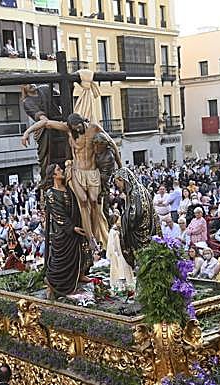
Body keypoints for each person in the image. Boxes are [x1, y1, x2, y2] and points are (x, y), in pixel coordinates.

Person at [23, 113, 122, 246]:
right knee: (83, 201)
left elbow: (112, 144)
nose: (77, 130)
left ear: (82, 122)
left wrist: (121, 168)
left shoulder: (94, 128)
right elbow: (46, 123)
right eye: (74, 128)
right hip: (77, 172)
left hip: (92, 173)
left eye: (79, 127)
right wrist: (27, 133)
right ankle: (90, 238)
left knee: (94, 201)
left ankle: (97, 234)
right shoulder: (69, 129)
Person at [42, 164, 88, 297]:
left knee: (76, 256)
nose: (61, 171)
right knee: (60, 261)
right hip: (62, 232)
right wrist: (72, 228)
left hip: (75, 228)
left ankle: (77, 276)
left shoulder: (68, 189)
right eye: (58, 170)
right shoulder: (51, 193)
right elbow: (58, 214)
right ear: (53, 175)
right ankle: (52, 283)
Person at [113, 168, 157, 268]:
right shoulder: (138, 190)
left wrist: (122, 219)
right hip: (146, 231)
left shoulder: (135, 193)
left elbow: (135, 215)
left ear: (123, 180)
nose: (117, 186)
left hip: (142, 234)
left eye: (117, 183)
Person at [107, 213, 134, 291]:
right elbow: (111, 244)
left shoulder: (119, 230)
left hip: (122, 253)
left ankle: (126, 285)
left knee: (124, 267)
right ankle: (120, 286)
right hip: (117, 253)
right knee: (119, 269)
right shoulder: (113, 231)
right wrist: (113, 253)